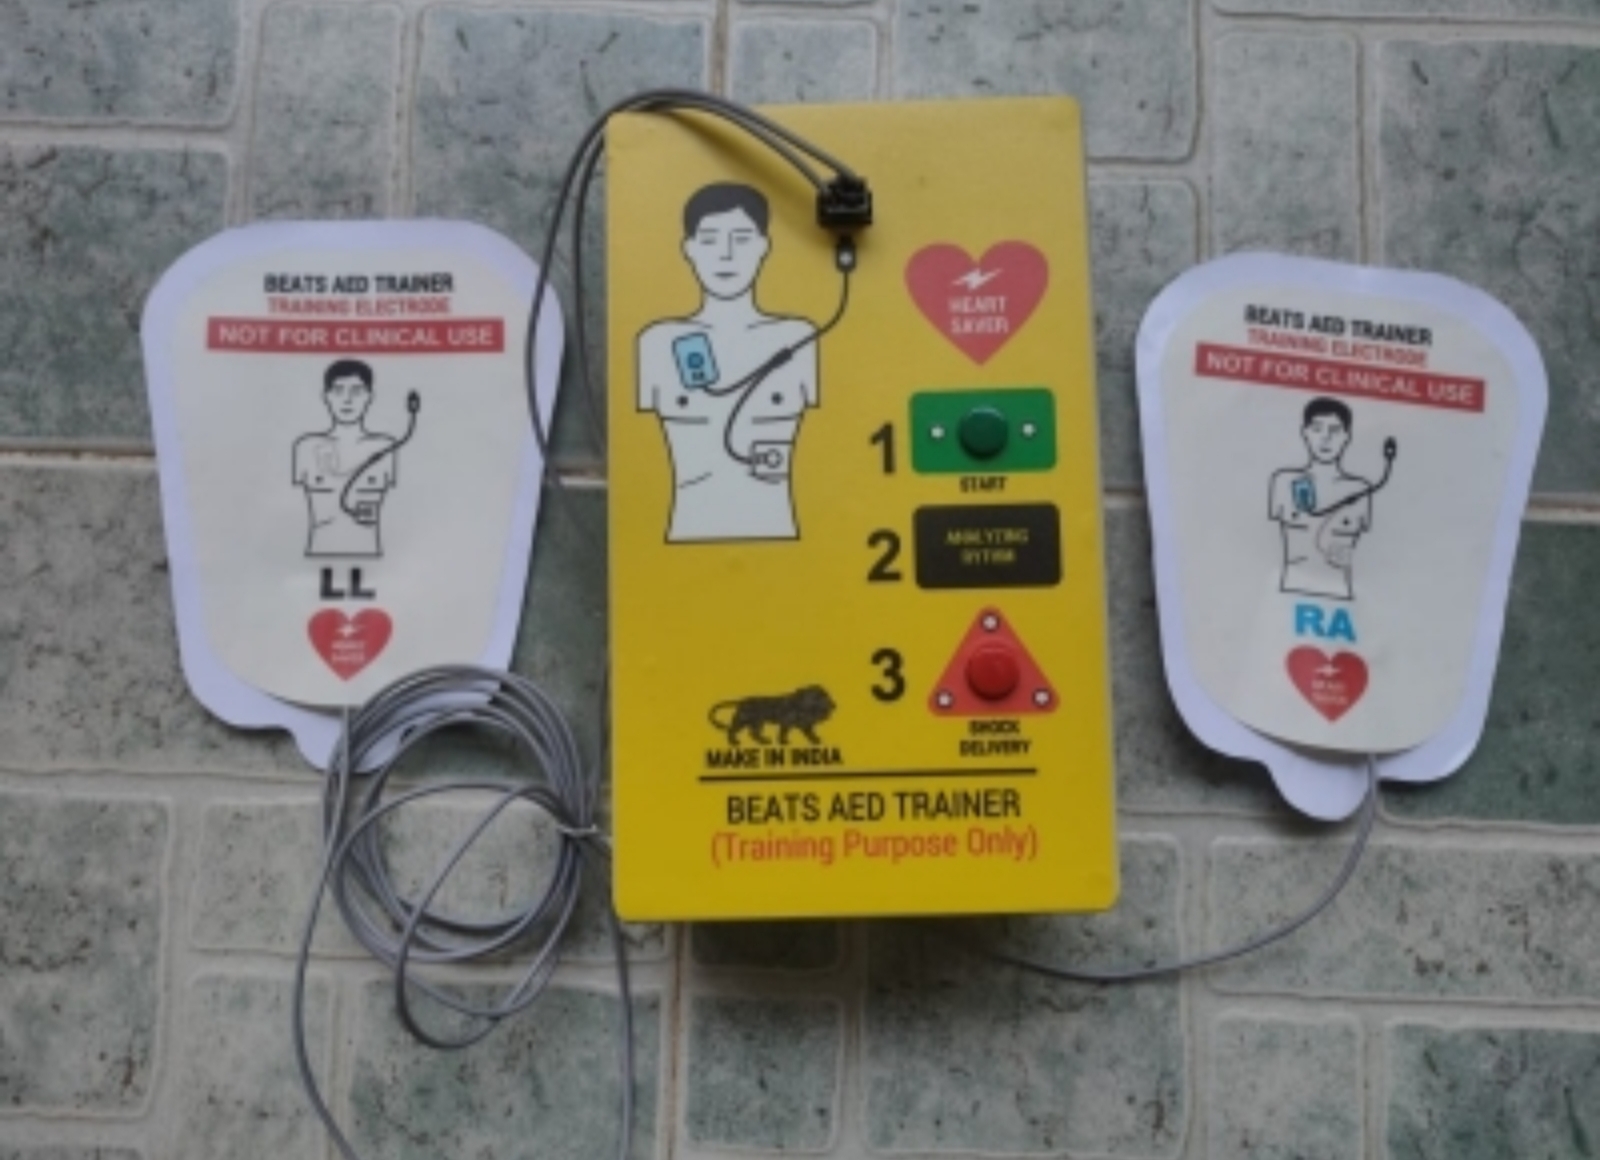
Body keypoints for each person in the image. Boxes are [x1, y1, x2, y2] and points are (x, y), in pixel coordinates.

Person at [636, 182, 819, 542]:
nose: (726, 254)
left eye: (741, 238)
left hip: (782, 535)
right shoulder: (658, 343)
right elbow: (638, 457)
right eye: (709, 240)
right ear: (688, 249)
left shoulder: (797, 338)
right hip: (684, 536)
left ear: (764, 246)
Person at [1268, 397, 1373, 600]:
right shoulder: (1283, 482)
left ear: (1347, 436)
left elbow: (1372, 554)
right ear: (1305, 432)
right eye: (1317, 429)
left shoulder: (1360, 490)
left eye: (1335, 430)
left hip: (1342, 595)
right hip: (1289, 592)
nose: (1326, 438)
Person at [292, 359, 399, 557]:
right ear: (326, 396)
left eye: (356, 391)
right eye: (338, 391)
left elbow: (400, 510)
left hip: (370, 554)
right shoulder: (306, 447)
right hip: (318, 553)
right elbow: (290, 507)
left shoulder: (385, 448)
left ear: (370, 396)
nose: (347, 400)